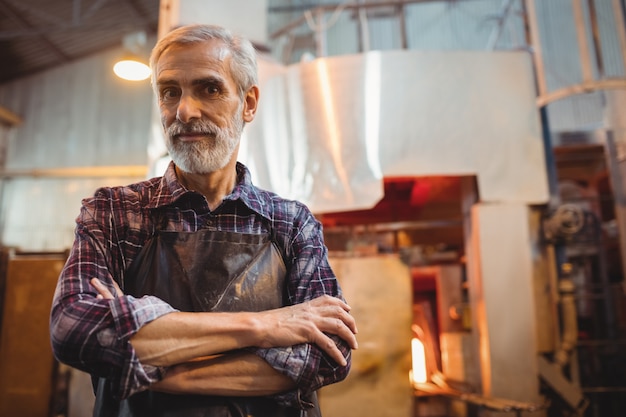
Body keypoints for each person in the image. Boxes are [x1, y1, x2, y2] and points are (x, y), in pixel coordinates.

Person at [49, 23, 358, 417]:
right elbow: (75, 329)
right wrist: (265, 326)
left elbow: (327, 352)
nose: (184, 110)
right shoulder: (113, 213)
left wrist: (158, 370)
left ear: (248, 103)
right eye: (169, 92)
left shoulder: (291, 224)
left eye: (208, 89)